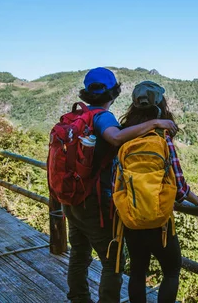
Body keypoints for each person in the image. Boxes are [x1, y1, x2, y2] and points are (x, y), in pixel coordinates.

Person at [63, 68, 178, 303]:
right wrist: (156, 121)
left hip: (72, 199)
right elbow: (115, 138)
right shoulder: (104, 118)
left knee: (79, 254)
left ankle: (78, 298)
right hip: (95, 201)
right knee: (112, 261)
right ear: (114, 92)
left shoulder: (77, 115)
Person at [119, 81, 198, 303]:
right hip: (159, 222)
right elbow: (178, 185)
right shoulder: (162, 136)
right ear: (161, 105)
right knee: (172, 270)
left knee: (137, 272)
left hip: (131, 218)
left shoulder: (124, 135)